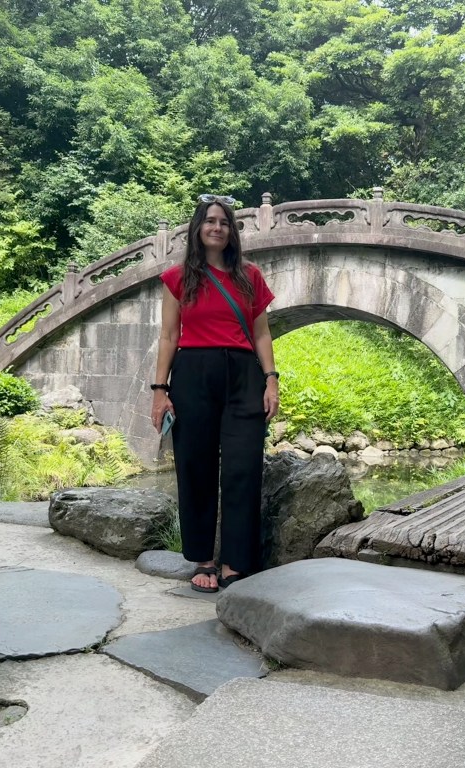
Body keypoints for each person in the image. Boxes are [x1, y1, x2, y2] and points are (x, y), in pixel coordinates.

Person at [150, 194, 280, 592]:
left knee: (244, 466)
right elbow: (169, 335)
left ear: (232, 231)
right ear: (197, 228)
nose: (217, 228)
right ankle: (203, 559)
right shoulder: (178, 278)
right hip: (193, 373)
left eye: (224, 222)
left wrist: (271, 379)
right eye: (210, 221)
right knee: (196, 465)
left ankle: (236, 560)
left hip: (243, 375)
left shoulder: (249, 276)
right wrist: (160, 389)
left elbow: (261, 333)